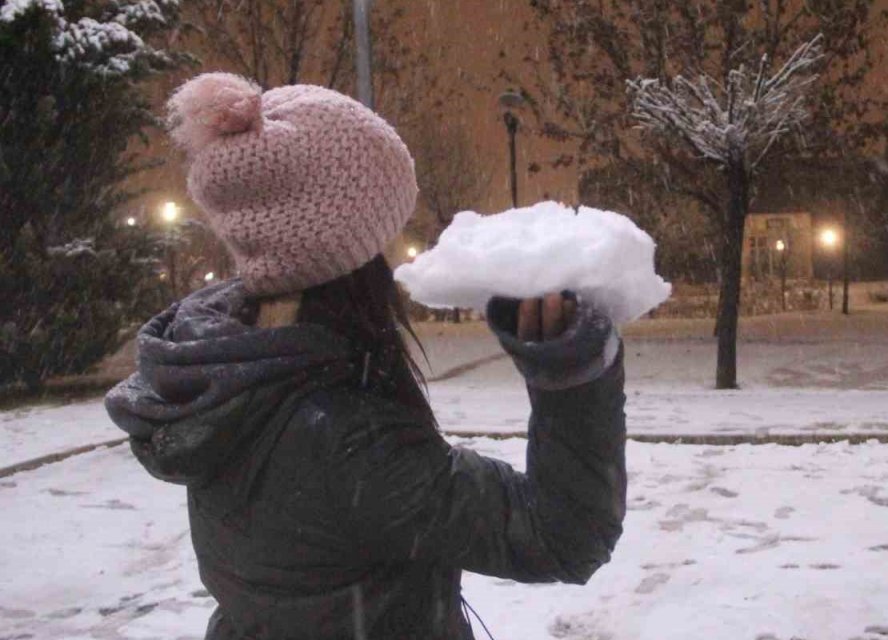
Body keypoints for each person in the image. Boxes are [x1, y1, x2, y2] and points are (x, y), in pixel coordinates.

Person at [105, 73, 627, 640]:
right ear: (348, 249)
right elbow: (562, 536)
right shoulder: (346, 440)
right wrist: (572, 376)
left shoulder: (223, 373)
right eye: (385, 231)